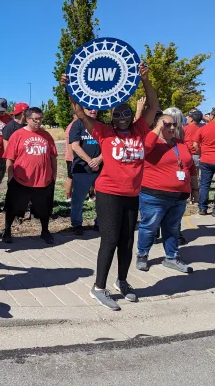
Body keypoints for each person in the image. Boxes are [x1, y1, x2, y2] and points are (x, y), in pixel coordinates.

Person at [61, 63, 159, 311]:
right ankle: (98, 287)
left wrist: (145, 80)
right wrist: (70, 87)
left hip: (132, 194)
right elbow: (80, 113)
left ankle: (122, 281)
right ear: (112, 117)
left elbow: (153, 105)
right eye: (118, 114)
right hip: (108, 193)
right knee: (110, 239)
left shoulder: (139, 130)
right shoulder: (104, 132)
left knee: (127, 241)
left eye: (127, 113)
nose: (123, 117)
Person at [136, 112, 197, 274]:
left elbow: (190, 166)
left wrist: (195, 189)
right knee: (149, 227)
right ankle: (142, 255)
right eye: (166, 124)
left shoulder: (180, 144)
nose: (171, 127)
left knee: (172, 229)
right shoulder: (151, 142)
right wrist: (157, 128)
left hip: (179, 197)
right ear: (157, 126)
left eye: (173, 125)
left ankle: (171, 257)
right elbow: (145, 147)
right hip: (154, 196)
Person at [2, 107, 57, 244]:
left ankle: (45, 231)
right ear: (27, 119)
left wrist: (54, 175)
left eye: (40, 119)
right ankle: (7, 230)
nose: (38, 122)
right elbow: (9, 158)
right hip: (21, 180)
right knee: (12, 207)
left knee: (45, 208)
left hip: (44, 181)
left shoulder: (46, 135)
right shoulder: (17, 135)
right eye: (35, 119)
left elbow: (53, 157)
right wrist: (10, 176)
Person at [69, 108, 102, 235]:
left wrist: (98, 160)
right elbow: (75, 146)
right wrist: (90, 161)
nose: (93, 110)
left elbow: (108, 144)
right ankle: (77, 224)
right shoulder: (77, 124)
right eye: (89, 108)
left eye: (95, 108)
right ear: (83, 110)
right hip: (82, 168)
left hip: (100, 168)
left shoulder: (100, 125)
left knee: (102, 198)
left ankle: (99, 222)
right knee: (79, 199)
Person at [64, 113, 77, 203]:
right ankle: (68, 196)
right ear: (74, 114)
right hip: (71, 157)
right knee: (70, 177)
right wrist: (72, 157)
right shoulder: (72, 126)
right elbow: (70, 144)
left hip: (75, 157)